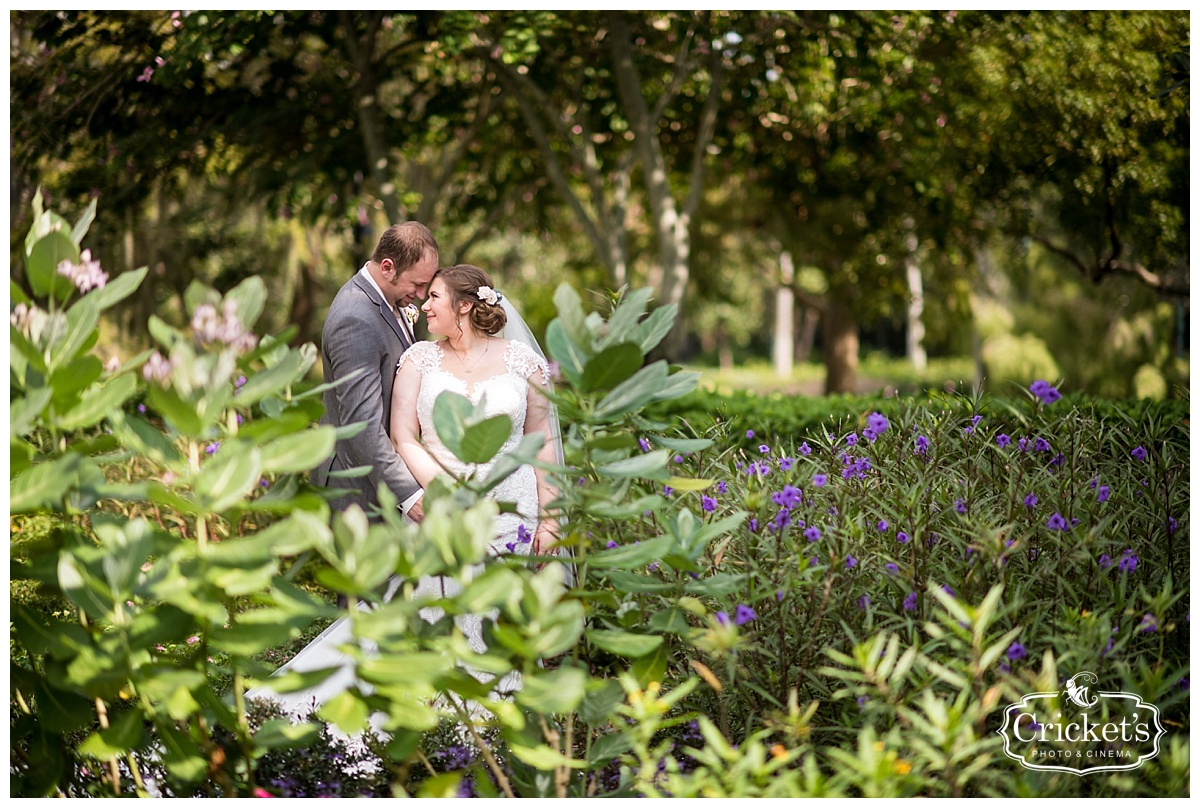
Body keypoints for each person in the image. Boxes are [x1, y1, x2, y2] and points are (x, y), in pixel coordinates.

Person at [248, 264, 564, 719]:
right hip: (440, 511)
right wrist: (444, 493)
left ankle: (496, 726)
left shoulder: (524, 363)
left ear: (466, 306)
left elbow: (544, 441)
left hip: (511, 515)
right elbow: (403, 437)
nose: (424, 305)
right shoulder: (418, 360)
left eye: (434, 297)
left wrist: (550, 520)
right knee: (430, 613)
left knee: (501, 623)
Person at [311, 222, 439, 526]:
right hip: (357, 490)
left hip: (381, 479)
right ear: (387, 267)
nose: (421, 296)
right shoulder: (355, 317)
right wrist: (409, 496)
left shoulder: (387, 301)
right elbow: (361, 424)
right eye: (417, 285)